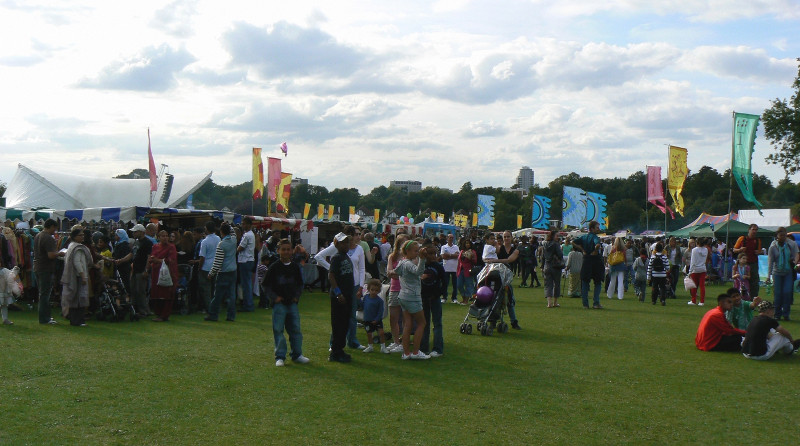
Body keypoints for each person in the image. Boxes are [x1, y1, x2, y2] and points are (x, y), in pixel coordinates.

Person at [315, 225, 366, 350]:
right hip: (341, 284)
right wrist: (330, 269)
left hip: (353, 285)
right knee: (338, 316)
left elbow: (362, 268)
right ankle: (334, 343)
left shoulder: (359, 249)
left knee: (352, 315)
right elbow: (318, 257)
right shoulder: (338, 248)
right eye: (356, 234)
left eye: (359, 234)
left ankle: (352, 341)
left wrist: (360, 286)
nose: (358, 237)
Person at [263, 238, 309, 367]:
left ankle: (297, 354)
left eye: (288, 249)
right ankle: (280, 356)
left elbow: (300, 284)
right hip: (279, 304)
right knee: (278, 330)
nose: (286, 252)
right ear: (278, 251)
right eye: (283, 249)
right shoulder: (274, 267)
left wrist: (296, 297)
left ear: (292, 251)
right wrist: (274, 297)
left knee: (295, 330)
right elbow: (265, 285)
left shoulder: (295, 266)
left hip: (292, 303)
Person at [391, 240, 430, 360]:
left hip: (403, 296)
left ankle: (406, 353)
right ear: (407, 251)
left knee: (408, 324)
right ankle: (416, 352)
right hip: (412, 297)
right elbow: (418, 271)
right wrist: (423, 259)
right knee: (422, 323)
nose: (417, 253)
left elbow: (394, 272)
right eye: (415, 251)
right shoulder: (408, 263)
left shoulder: (402, 263)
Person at [328, 232, 355, 363]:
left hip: (348, 295)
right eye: (343, 242)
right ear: (337, 244)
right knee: (338, 324)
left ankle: (340, 349)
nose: (346, 245)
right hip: (339, 296)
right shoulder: (337, 257)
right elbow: (331, 276)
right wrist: (338, 293)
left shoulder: (345, 256)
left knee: (344, 323)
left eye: (347, 242)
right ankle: (335, 351)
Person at [485, 230, 521, 329]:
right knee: (495, 299)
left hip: (507, 278)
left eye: (508, 236)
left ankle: (514, 321)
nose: (506, 239)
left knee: (510, 300)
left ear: (511, 238)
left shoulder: (516, 249)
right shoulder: (499, 249)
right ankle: (493, 320)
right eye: (504, 237)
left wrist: (494, 261)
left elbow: (510, 260)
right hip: (498, 277)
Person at [33, 218, 63, 325]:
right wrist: (59, 254)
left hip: (37, 267)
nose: (55, 231)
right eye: (55, 228)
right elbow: (50, 255)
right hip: (45, 268)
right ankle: (45, 319)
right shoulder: (48, 238)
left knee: (42, 294)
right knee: (45, 294)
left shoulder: (38, 235)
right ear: (51, 227)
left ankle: (44, 317)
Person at [60, 228, 93, 327]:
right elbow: (77, 262)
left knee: (75, 299)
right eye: (80, 235)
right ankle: (77, 321)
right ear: (74, 237)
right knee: (79, 299)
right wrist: (83, 276)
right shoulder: (78, 248)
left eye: (83, 235)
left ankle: (76, 320)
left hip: (73, 276)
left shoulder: (71, 246)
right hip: (78, 276)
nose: (82, 237)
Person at [206, 223, 238, 322]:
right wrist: (228, 225)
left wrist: (211, 273)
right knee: (231, 295)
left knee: (218, 296)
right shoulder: (234, 240)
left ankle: (213, 314)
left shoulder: (221, 244)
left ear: (221, 232)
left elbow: (217, 262)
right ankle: (231, 316)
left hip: (223, 272)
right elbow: (233, 233)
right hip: (233, 271)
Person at [767, 226, 799, 321]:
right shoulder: (773, 246)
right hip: (777, 272)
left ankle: (786, 314)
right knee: (778, 294)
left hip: (788, 271)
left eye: (784, 235)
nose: (783, 237)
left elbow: (797, 253)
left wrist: (794, 262)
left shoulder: (791, 244)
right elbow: (770, 261)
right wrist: (768, 276)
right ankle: (777, 314)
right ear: (777, 236)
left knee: (787, 292)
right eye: (781, 235)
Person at [384, 234, 408, 352]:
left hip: (405, 289)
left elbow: (406, 275)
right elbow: (389, 272)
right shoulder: (392, 257)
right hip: (394, 289)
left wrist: (396, 274)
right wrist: (398, 274)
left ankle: (403, 342)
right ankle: (396, 341)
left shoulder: (409, 258)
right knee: (393, 318)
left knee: (405, 318)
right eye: (402, 243)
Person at [420, 241, 444, 357]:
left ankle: (438, 348)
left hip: (435, 297)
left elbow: (444, 282)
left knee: (437, 323)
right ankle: (423, 347)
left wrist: (440, 294)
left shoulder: (438, 267)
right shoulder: (421, 265)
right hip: (423, 297)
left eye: (435, 254)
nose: (433, 256)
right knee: (424, 323)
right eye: (430, 254)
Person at [572, 221, 604, 309]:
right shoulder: (595, 237)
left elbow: (573, 242)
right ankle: (596, 303)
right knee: (597, 282)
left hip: (586, 260)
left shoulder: (584, 237)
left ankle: (585, 304)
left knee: (585, 282)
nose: (598, 229)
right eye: (597, 227)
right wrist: (595, 250)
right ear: (592, 228)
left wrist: (582, 249)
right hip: (595, 260)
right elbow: (597, 245)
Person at [148, 230, 178, 322]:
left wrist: (159, 260)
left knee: (167, 294)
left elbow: (171, 260)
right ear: (158, 237)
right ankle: (158, 314)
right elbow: (151, 258)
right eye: (163, 236)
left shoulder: (171, 247)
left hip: (168, 273)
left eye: (166, 236)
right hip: (157, 272)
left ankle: (165, 315)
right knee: (157, 294)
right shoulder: (155, 247)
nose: (165, 238)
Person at [129, 224, 153, 317]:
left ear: (141, 232)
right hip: (135, 269)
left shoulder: (147, 242)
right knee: (134, 290)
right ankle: (136, 309)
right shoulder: (136, 242)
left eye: (135, 231)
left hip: (141, 269)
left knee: (141, 291)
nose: (134, 233)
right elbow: (132, 254)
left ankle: (144, 311)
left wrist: (146, 270)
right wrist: (120, 260)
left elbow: (149, 257)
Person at [733, 224, 762, 298]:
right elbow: (734, 249)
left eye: (756, 230)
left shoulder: (758, 240)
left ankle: (753, 299)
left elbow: (760, 251)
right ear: (749, 230)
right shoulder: (742, 239)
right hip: (742, 265)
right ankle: (739, 298)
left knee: (754, 283)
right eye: (753, 229)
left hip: (753, 263)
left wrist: (759, 252)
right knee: (740, 282)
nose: (754, 231)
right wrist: (740, 250)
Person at [361, 278, 389, 354]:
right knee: (369, 334)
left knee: (381, 333)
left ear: (379, 291)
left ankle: (383, 347)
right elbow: (362, 305)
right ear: (368, 289)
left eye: (376, 290)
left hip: (377, 320)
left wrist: (377, 319)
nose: (374, 292)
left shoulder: (380, 301)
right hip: (367, 319)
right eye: (372, 290)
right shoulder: (366, 297)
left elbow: (380, 311)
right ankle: (370, 346)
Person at [197, 221, 220, 312]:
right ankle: (216, 307)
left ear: (206, 229)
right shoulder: (218, 238)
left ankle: (209, 308)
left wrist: (199, 267)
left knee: (206, 289)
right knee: (214, 289)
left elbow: (202, 257)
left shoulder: (205, 241)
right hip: (216, 265)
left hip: (206, 267)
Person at [236, 217, 256, 312]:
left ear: (249, 224)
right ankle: (249, 304)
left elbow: (240, 248)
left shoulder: (247, 235)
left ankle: (247, 305)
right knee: (247, 284)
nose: (243, 225)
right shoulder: (251, 234)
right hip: (249, 260)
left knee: (246, 285)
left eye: (244, 224)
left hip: (245, 260)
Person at [542, 230, 563, 308]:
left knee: (548, 285)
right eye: (557, 236)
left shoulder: (544, 244)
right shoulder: (556, 244)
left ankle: (549, 303)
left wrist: (542, 266)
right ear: (553, 236)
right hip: (555, 266)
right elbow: (560, 254)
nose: (558, 237)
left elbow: (543, 256)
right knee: (556, 284)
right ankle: (555, 302)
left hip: (547, 266)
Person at [111, 229, 132, 298]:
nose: (115, 236)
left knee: (125, 283)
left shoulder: (124, 245)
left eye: (116, 235)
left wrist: (119, 260)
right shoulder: (118, 244)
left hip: (124, 268)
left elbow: (126, 257)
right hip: (119, 267)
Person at [688, 238, 709, 306]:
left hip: (695, 269)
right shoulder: (706, 250)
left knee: (694, 286)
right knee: (702, 286)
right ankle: (702, 301)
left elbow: (692, 261)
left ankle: (693, 300)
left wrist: (690, 271)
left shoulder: (694, 250)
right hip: (702, 269)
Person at [456, 237, 477, 305]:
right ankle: (464, 298)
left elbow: (475, 261)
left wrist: (471, 257)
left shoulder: (473, 252)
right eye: (466, 243)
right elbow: (459, 261)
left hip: (468, 270)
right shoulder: (462, 251)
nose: (467, 244)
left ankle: (466, 300)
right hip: (460, 270)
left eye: (468, 243)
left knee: (468, 285)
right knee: (459, 285)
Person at [440, 233, 460, 303]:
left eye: (452, 238)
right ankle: (444, 297)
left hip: (454, 268)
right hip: (446, 267)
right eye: (450, 237)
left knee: (455, 284)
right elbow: (443, 256)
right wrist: (453, 255)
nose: (451, 239)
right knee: (445, 283)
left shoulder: (456, 247)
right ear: (447, 238)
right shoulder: (443, 247)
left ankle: (454, 298)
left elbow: (457, 256)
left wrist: (449, 255)